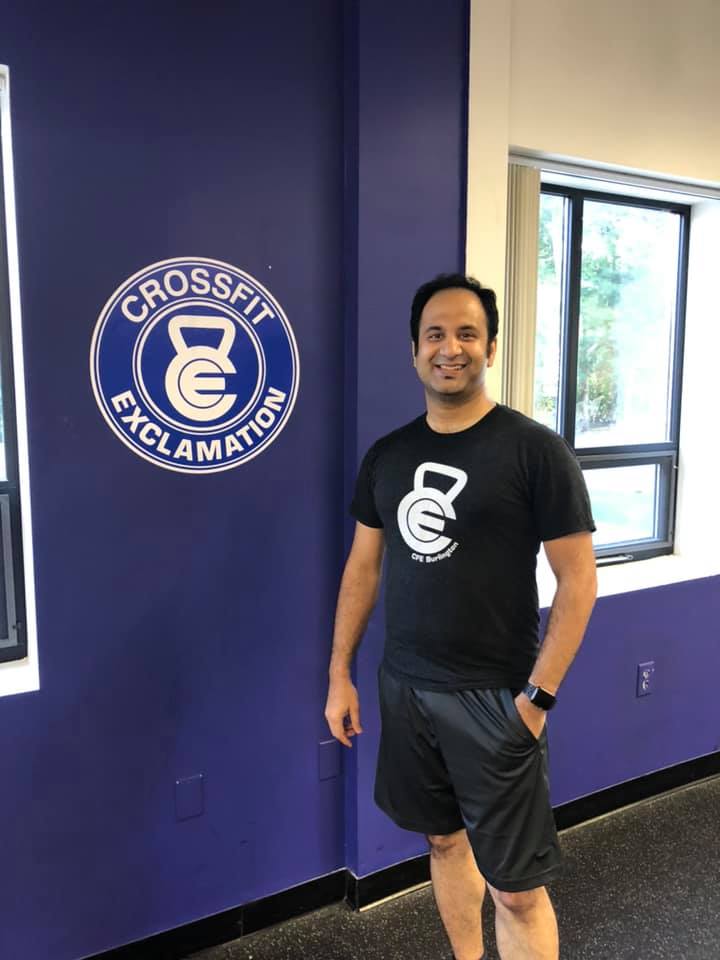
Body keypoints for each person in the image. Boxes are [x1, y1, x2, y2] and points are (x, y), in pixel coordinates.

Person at [325, 274, 597, 960]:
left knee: (517, 890)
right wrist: (339, 675)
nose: (450, 348)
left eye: (467, 334)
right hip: (406, 688)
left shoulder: (535, 451)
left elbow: (578, 581)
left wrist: (536, 700)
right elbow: (362, 569)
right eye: (436, 335)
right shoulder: (388, 456)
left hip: (496, 698)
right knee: (444, 841)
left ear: (491, 347)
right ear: (414, 350)